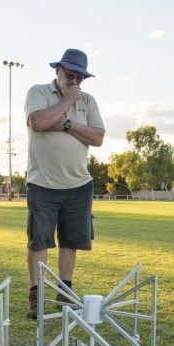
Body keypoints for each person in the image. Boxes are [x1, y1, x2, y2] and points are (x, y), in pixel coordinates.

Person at [24, 48, 105, 319]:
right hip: (42, 184)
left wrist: (66, 123)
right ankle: (37, 297)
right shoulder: (38, 92)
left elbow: (97, 138)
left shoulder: (90, 101)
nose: (75, 82)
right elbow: (38, 122)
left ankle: (64, 293)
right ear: (57, 70)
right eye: (70, 75)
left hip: (79, 185)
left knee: (69, 242)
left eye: (80, 78)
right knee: (39, 241)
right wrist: (67, 101)